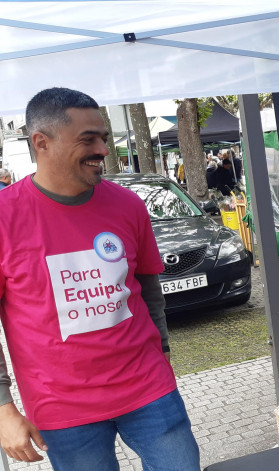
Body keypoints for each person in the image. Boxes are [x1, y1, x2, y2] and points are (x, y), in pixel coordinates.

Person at [0, 87, 198, 469]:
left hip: (148, 388)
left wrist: (164, 353)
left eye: (103, 138)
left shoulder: (127, 205)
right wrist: (4, 408)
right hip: (63, 406)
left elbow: (149, 291)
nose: (103, 150)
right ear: (41, 142)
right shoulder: (6, 217)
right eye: (87, 139)